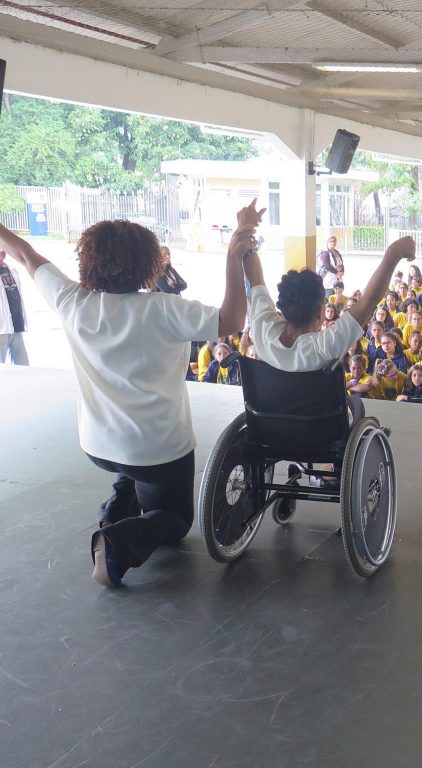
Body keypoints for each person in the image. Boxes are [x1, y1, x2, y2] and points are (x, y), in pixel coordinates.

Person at [0, 201, 260, 588]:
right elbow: (233, 320)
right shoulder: (164, 309)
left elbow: (24, 253)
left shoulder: (72, 302)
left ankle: (118, 505)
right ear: (148, 263)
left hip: (98, 445)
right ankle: (116, 543)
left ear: (88, 261)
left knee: (132, 471)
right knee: (174, 523)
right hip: (159, 450)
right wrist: (234, 250)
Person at [243, 236, 416, 373]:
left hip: (272, 418)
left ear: (283, 309)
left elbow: (255, 279)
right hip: (318, 419)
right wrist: (394, 252)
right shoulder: (323, 347)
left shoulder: (262, 331)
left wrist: (245, 231)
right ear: (320, 311)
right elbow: (368, 302)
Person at [0, 248, 29, 365]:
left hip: (16, 326)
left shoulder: (11, 269)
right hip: (1, 329)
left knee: (24, 366)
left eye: (2, 247)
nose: (1, 250)